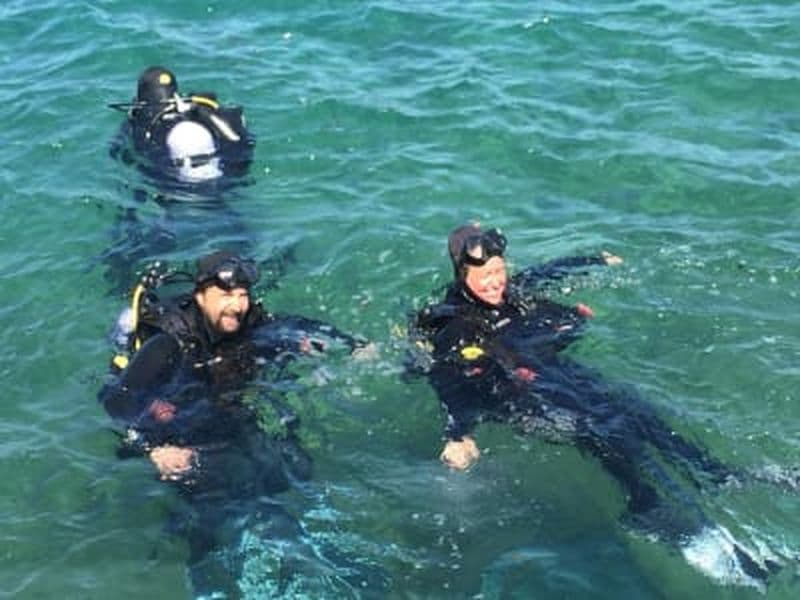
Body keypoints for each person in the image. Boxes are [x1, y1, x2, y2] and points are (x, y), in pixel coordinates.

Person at [409, 223, 778, 589]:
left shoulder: (509, 293)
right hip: (516, 398)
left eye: (499, 271)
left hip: (552, 373)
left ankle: (715, 472)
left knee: (634, 408)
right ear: (462, 273)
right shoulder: (454, 323)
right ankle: (643, 505)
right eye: (484, 275)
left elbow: (544, 273)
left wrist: (593, 260)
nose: (495, 282)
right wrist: (458, 433)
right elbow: (448, 378)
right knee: (599, 427)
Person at [99, 250, 376, 596]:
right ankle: (209, 584)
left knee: (290, 470)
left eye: (243, 295)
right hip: (182, 436)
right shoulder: (166, 344)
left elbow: (294, 325)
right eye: (227, 294)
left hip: (229, 419)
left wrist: (353, 345)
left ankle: (308, 558)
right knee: (210, 516)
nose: (238, 305)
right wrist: (155, 448)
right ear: (200, 295)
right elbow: (115, 400)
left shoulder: (247, 325)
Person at [110, 66, 255, 185]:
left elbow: (120, 155)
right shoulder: (194, 112)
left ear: (140, 98)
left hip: (177, 189)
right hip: (223, 179)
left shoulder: (138, 122)